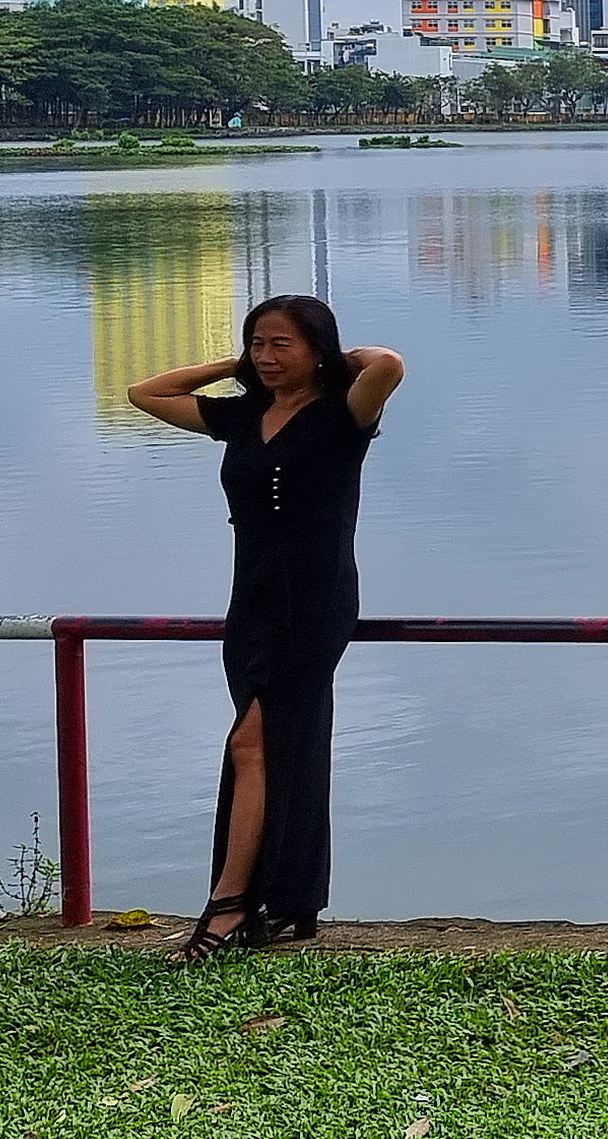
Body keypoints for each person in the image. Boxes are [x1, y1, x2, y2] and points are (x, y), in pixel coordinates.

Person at [126, 296, 407, 966]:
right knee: (275, 746)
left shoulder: (346, 414)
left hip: (315, 602)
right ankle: (284, 906)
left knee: (255, 742)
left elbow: (388, 363)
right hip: (249, 602)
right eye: (257, 344)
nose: (266, 356)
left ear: (318, 349)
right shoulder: (241, 415)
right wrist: (238, 366)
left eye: (282, 344)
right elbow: (145, 392)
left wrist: (333, 362)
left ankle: (227, 906)